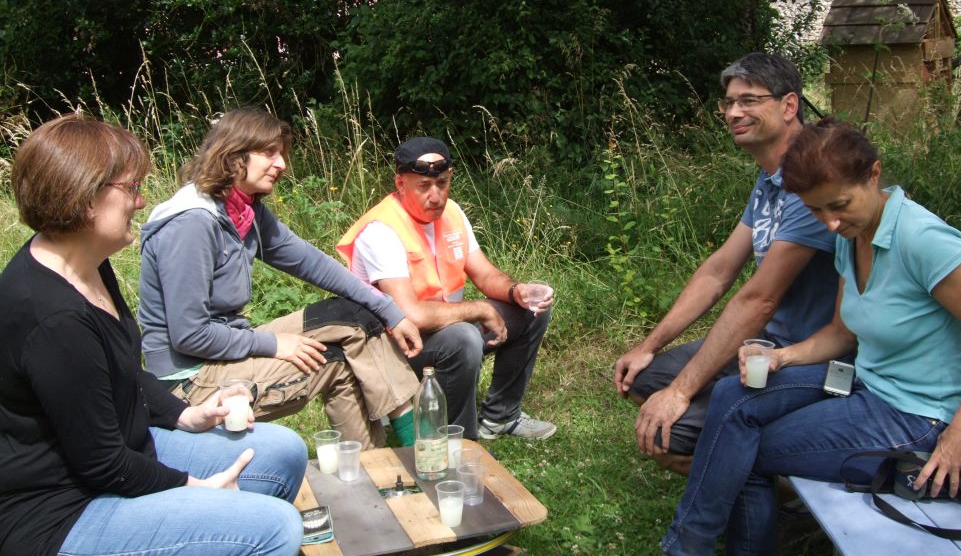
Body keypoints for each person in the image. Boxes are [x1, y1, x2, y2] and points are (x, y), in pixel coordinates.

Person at [661, 118, 961, 556]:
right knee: (733, 395)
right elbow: (841, 331)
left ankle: (685, 547)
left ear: (873, 174)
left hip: (914, 415)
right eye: (815, 210)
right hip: (862, 381)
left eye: (839, 204)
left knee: (745, 450)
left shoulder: (925, 240)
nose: (829, 223)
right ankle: (689, 544)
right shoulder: (852, 235)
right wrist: (784, 358)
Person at [0, 114, 306, 556]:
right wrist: (196, 489)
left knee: (284, 452)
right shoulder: (54, 319)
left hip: (125, 452)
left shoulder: (86, 264)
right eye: (131, 188)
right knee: (274, 528)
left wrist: (186, 415)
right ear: (87, 198)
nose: (142, 202)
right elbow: (103, 464)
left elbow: (120, 369)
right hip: (60, 513)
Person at [138, 108, 423, 449]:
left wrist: (390, 310)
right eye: (269, 153)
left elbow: (311, 262)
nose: (282, 164)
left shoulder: (244, 209)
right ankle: (399, 458)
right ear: (233, 154)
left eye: (282, 154)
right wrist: (274, 345)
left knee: (352, 316)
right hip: (189, 381)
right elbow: (190, 335)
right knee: (336, 362)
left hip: (225, 346)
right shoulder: (192, 223)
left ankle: (402, 453)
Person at [614, 53, 840, 470]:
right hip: (767, 343)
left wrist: (682, 392)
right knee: (642, 379)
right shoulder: (771, 176)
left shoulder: (814, 180)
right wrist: (649, 346)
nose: (734, 112)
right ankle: (742, 429)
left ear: (790, 106)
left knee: (672, 441)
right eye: (729, 102)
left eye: (749, 100)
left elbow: (759, 300)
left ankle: (789, 481)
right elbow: (720, 270)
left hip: (813, 356)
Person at [336, 136, 556, 441]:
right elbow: (410, 314)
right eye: (423, 187)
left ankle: (500, 417)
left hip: (442, 327)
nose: (436, 195)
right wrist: (479, 310)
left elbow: (484, 272)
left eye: (442, 183)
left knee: (533, 310)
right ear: (401, 184)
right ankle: (458, 441)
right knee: (463, 337)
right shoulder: (382, 230)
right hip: (395, 347)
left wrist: (515, 291)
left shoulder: (451, 213)